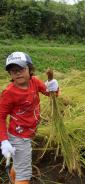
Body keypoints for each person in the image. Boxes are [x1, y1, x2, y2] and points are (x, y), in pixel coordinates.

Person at [0, 52, 59, 184]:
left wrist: (54, 87)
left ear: (29, 69)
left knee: (19, 164)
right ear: (10, 74)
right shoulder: (9, 93)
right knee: (24, 174)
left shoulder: (35, 82)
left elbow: (51, 94)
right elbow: (1, 117)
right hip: (18, 137)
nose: (17, 73)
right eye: (13, 70)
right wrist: (4, 141)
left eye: (21, 69)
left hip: (29, 133)